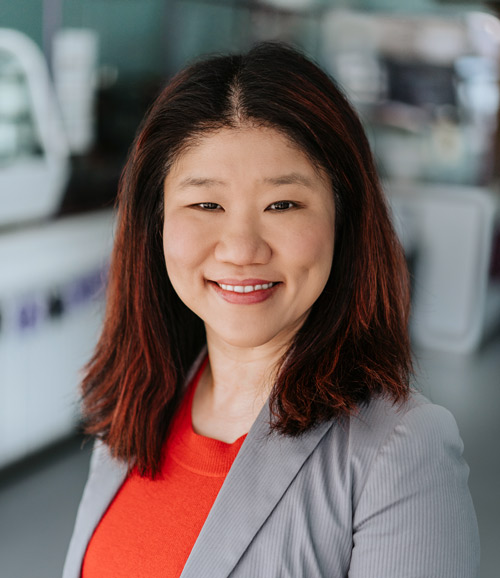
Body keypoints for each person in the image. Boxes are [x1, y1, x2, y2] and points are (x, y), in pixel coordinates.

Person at [63, 42, 479, 578]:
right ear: (156, 222)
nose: (240, 248)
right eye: (205, 204)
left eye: (282, 205)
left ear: (343, 219)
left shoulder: (400, 452)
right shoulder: (136, 406)